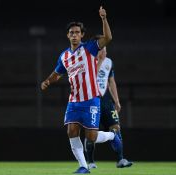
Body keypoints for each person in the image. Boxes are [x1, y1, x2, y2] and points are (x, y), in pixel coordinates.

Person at [41, 6, 121, 174]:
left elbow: (108, 37)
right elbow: (57, 73)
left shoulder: (90, 48)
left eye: (77, 32)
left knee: (91, 137)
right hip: (74, 100)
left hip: (91, 98)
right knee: (71, 131)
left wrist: (104, 18)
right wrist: (48, 81)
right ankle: (83, 166)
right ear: (67, 35)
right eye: (71, 32)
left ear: (82, 35)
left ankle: (113, 136)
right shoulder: (64, 56)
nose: (74, 35)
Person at [84, 46, 133, 169]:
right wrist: (99, 60)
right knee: (91, 133)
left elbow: (111, 82)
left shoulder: (109, 62)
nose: (104, 52)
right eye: (102, 49)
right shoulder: (88, 61)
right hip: (91, 100)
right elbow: (89, 78)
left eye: (105, 49)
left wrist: (116, 100)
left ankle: (120, 160)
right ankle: (90, 162)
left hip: (106, 100)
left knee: (116, 127)